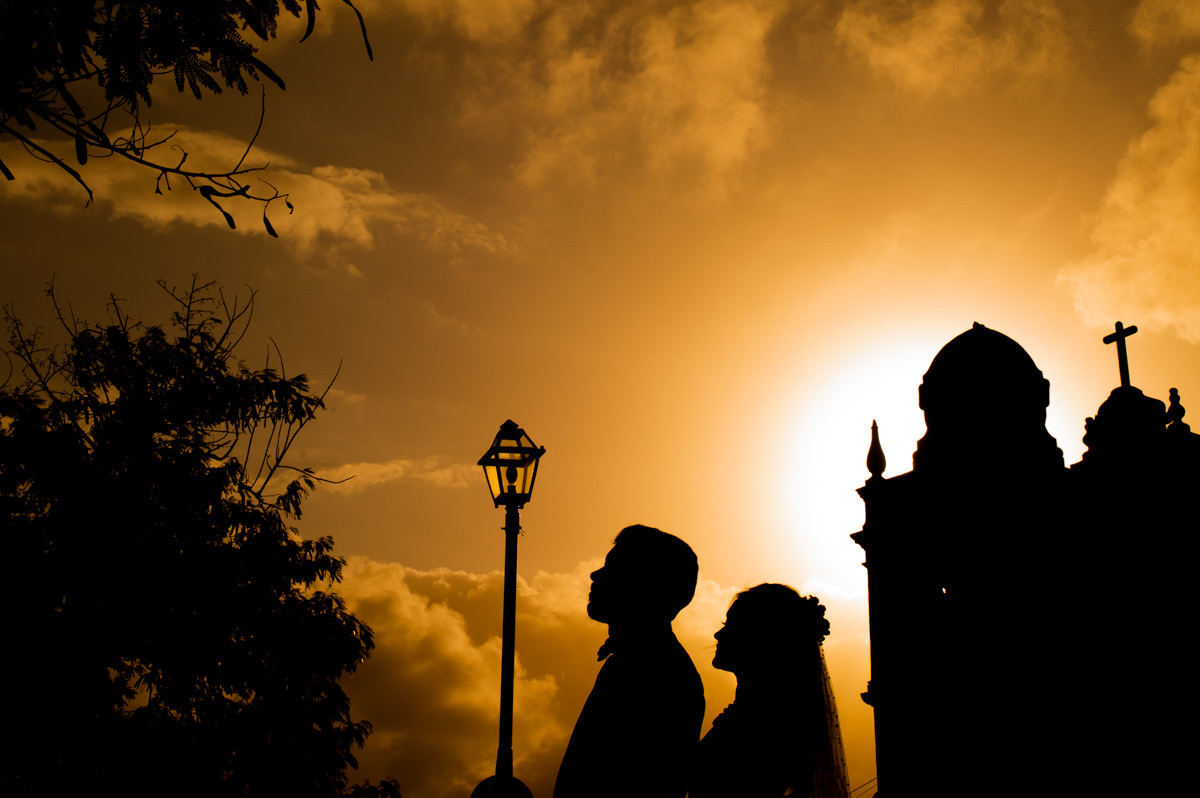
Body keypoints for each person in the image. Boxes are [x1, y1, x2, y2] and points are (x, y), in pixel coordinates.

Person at [553, 525, 705, 798]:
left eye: (612, 569)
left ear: (643, 586)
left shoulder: (656, 673)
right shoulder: (640, 659)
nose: (594, 574)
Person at [690, 584, 849, 798]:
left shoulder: (760, 728)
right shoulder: (761, 720)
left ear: (763, 639)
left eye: (733, 625)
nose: (719, 633)